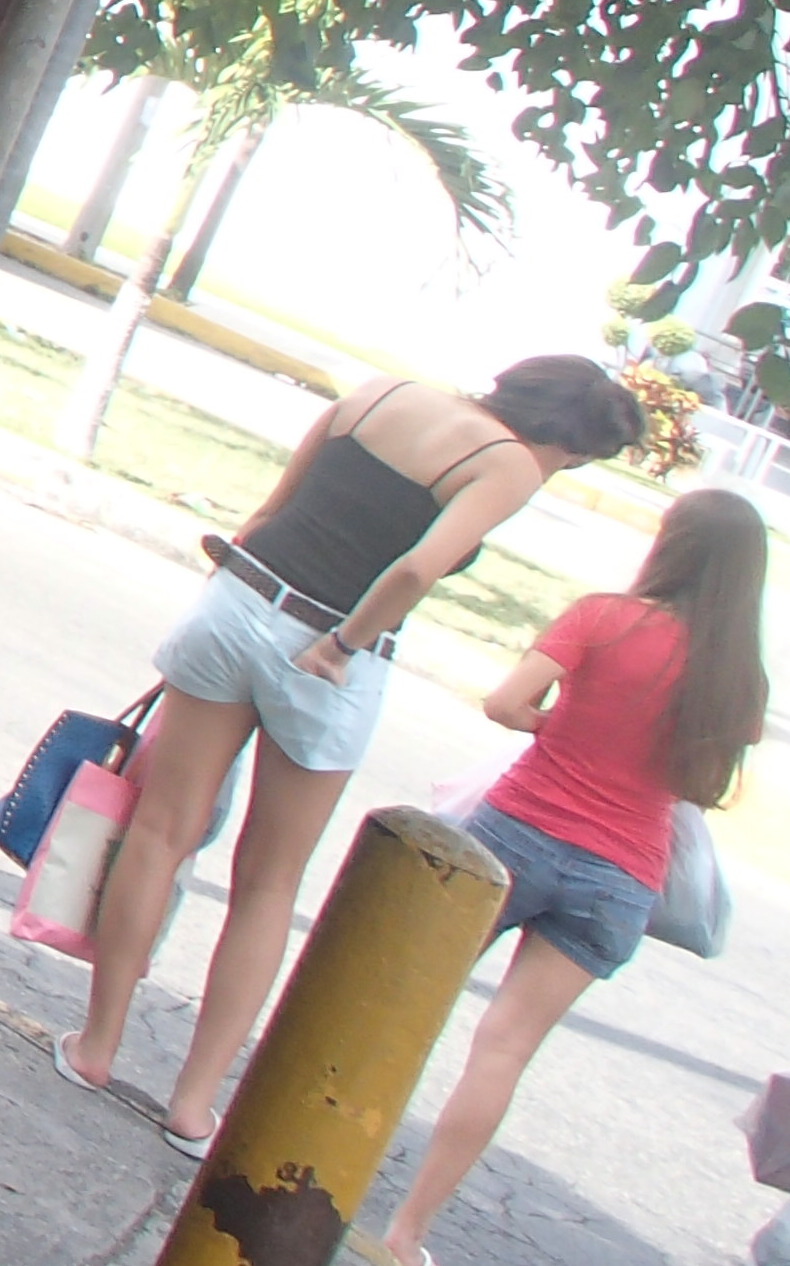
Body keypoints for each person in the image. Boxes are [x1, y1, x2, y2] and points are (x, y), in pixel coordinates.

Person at [60, 357, 647, 1153]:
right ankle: (193, 1105)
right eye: (571, 463)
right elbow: (416, 567)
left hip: (242, 594)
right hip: (330, 648)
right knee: (268, 882)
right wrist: (343, 644)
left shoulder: (381, 392)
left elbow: (272, 508)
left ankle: (96, 1047)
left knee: (162, 831)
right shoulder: (508, 464)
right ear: (564, 442)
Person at [377, 486, 771, 1266]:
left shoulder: (603, 618)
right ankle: (406, 1233)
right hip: (620, 878)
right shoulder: (740, 681)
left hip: (515, 834)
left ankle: (307, 1152)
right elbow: (701, 785)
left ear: (671, 545)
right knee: (504, 1051)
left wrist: (554, 730)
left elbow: (505, 703)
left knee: (403, 1002)